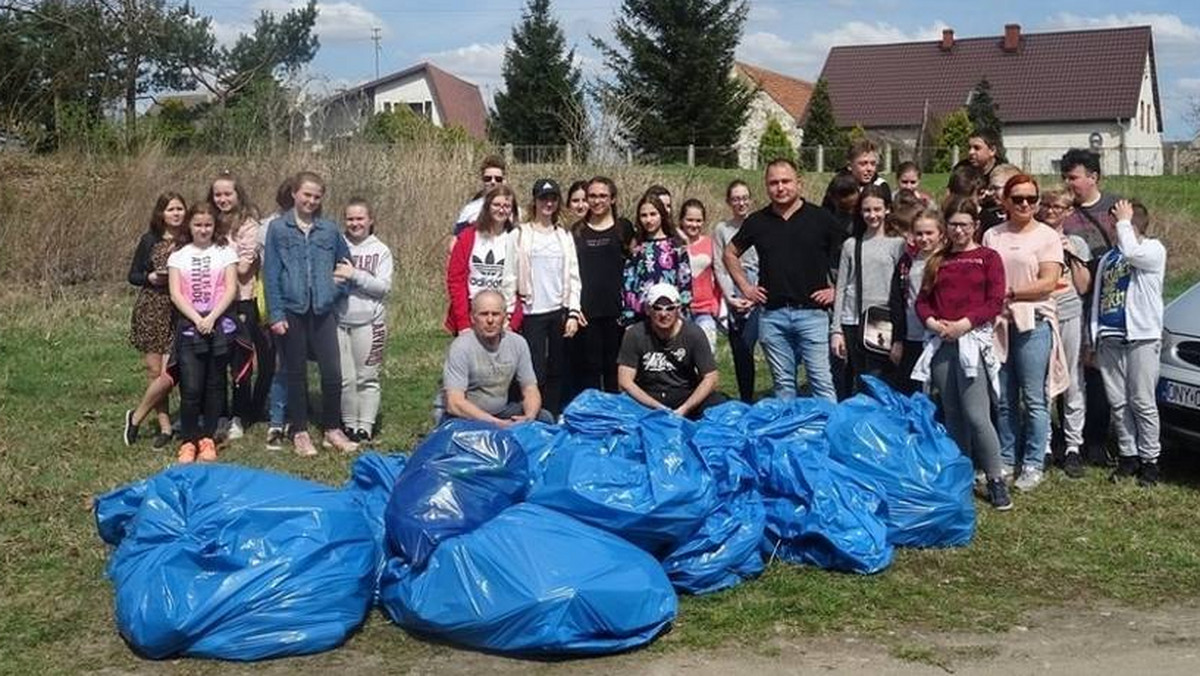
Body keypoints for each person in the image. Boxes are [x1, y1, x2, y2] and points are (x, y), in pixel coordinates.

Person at [911, 198, 1011, 510]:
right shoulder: (937, 260)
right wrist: (932, 322)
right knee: (952, 412)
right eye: (953, 225)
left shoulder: (988, 258)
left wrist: (964, 324)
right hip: (942, 343)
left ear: (975, 226)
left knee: (976, 414)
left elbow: (994, 301)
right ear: (946, 228)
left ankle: (995, 478)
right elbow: (923, 300)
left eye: (964, 225)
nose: (959, 231)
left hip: (972, 342)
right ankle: (961, 474)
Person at [724, 158, 841, 402]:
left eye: (786, 181)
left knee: (821, 384)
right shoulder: (757, 221)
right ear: (767, 187)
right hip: (773, 316)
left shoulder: (821, 219)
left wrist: (837, 290)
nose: (780, 187)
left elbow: (851, 255)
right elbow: (730, 253)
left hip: (813, 314)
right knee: (784, 385)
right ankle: (789, 436)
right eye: (773, 183)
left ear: (799, 182)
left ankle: (827, 436)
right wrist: (746, 287)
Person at [264, 171, 359, 457]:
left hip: (322, 310)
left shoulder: (329, 230)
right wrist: (276, 313)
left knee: (332, 372)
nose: (311, 201)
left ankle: (332, 429)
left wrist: (335, 290)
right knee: (295, 373)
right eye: (307, 194)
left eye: (317, 197)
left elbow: (346, 266)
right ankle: (300, 430)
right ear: (294, 193)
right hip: (292, 310)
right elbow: (271, 273)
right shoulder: (278, 229)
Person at [982, 174, 1066, 491]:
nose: (1025, 204)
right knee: (1004, 397)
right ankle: (1005, 459)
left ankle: (1033, 461)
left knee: (1034, 398)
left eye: (1031, 198)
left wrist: (1013, 294)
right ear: (1005, 201)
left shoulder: (1047, 236)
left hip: (1034, 322)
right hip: (999, 323)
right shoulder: (992, 234)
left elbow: (1048, 281)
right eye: (1018, 199)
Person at [1090, 200, 1166, 487]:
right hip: (1110, 336)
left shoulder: (1152, 249)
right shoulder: (1110, 258)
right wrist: (1093, 334)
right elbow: (1099, 297)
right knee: (1118, 402)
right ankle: (1128, 455)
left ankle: (1150, 461)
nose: (1113, 228)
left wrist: (1125, 222)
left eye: (1118, 223)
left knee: (1142, 401)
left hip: (1141, 336)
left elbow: (1132, 252)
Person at [1060, 148, 1120, 466]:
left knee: (1097, 370)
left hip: (1106, 302)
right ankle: (1070, 438)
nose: (1069, 183)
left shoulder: (1115, 208)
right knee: (1069, 369)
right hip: (1072, 301)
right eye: (1066, 177)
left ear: (1093, 177)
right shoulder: (1063, 212)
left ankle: (1096, 439)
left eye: (1074, 177)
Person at [167, 203, 239, 463]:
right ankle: (188, 439)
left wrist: (212, 317)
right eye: (198, 225)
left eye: (208, 225)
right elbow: (175, 293)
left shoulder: (225, 252)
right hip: (190, 325)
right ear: (189, 225)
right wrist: (198, 319)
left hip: (219, 322)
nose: (203, 230)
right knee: (192, 386)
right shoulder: (178, 255)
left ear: (214, 226)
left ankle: (208, 437)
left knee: (215, 384)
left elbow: (231, 288)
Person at [124, 192, 187, 449]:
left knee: (170, 373)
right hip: (152, 308)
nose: (175, 213)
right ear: (161, 213)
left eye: (180, 209)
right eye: (170, 209)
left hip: (179, 310)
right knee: (155, 372)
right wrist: (149, 277)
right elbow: (133, 275)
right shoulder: (149, 240)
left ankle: (136, 416)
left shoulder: (189, 240)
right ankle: (165, 426)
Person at [514, 178, 582, 416]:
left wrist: (573, 311)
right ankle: (533, 412)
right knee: (535, 369)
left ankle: (551, 414)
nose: (548, 203)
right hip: (532, 310)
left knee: (557, 367)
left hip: (557, 309)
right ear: (535, 201)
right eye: (544, 198)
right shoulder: (522, 233)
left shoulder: (563, 235)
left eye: (553, 198)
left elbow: (574, 276)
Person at [831, 184, 906, 394]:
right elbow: (842, 287)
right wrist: (836, 330)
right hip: (852, 319)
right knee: (859, 378)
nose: (872, 215)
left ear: (887, 209)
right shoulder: (850, 244)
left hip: (882, 320)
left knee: (879, 379)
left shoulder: (898, 244)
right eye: (867, 210)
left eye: (877, 209)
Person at [1039, 187, 1092, 478]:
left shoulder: (1077, 242)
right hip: (1043, 313)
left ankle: (1073, 446)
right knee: (1043, 382)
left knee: (1072, 379)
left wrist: (1070, 253)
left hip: (1070, 312)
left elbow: (1084, 285)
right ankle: (1044, 444)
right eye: (1045, 205)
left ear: (1068, 211)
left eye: (1057, 207)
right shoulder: (1034, 238)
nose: (1050, 211)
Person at [441, 289, 553, 426]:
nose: (490, 320)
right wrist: (496, 423)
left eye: (495, 314)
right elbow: (454, 402)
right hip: (467, 416)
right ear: (472, 318)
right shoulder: (461, 347)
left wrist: (529, 418)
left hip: (501, 411)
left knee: (544, 418)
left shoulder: (518, 343)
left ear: (505, 317)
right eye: (483, 314)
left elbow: (530, 388)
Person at [617, 283, 726, 419]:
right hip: (647, 397)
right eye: (657, 308)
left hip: (685, 395)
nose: (664, 314)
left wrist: (684, 409)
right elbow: (625, 382)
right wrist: (659, 408)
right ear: (648, 310)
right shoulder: (635, 334)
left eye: (670, 308)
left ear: (678, 309)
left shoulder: (693, 333)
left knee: (720, 407)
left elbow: (711, 377)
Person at [208, 172, 262, 441]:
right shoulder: (209, 222)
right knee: (216, 360)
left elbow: (242, 269)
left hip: (241, 299)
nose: (222, 199)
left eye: (227, 194)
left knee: (240, 361)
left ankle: (240, 415)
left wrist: (217, 258)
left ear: (238, 194)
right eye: (217, 194)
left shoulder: (248, 224)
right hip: (213, 302)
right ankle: (220, 413)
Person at [569, 176, 634, 397]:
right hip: (586, 314)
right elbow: (570, 273)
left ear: (613, 199)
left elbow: (637, 262)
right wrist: (574, 309)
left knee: (614, 371)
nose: (597, 201)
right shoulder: (577, 231)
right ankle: (592, 419)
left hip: (617, 313)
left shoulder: (623, 228)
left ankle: (615, 418)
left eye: (603, 196)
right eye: (593, 196)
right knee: (589, 370)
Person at [335, 198, 393, 444]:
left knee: (366, 376)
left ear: (370, 221)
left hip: (370, 322)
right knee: (345, 378)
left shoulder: (380, 250)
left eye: (360, 219)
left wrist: (354, 275)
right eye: (350, 219)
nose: (355, 223)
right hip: (339, 321)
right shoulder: (338, 246)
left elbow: (382, 288)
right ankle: (349, 424)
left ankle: (365, 427)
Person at [445, 185, 520, 334]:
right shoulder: (469, 236)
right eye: (496, 205)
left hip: (503, 316)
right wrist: (463, 324)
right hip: (472, 314)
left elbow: (523, 284)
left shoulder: (517, 238)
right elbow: (455, 280)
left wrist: (513, 321)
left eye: (506, 206)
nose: (501, 209)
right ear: (487, 206)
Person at [712, 179, 760, 403]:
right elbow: (720, 266)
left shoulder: (761, 223)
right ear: (729, 202)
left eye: (744, 198)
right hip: (733, 289)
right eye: (736, 199)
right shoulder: (722, 229)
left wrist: (755, 293)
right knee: (741, 348)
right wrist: (731, 297)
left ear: (750, 200)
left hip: (760, 290)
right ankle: (746, 398)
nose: (741, 203)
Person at [888, 207, 945, 394]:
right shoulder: (907, 262)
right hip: (912, 334)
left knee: (939, 391)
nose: (924, 238)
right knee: (910, 390)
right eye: (919, 233)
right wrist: (897, 339)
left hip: (939, 335)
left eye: (929, 233)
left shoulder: (948, 260)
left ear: (941, 233)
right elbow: (897, 300)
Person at [259, 178, 293, 450]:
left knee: (298, 364)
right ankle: (277, 418)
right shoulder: (270, 227)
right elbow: (268, 271)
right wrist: (274, 309)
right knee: (281, 363)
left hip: (308, 307)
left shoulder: (321, 226)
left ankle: (298, 413)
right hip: (278, 303)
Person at [620, 193, 691, 325]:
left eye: (653, 214)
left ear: (662, 215)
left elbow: (685, 281)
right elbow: (628, 284)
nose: (648, 220)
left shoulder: (676, 246)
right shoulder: (636, 248)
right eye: (644, 215)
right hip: (642, 316)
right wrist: (628, 317)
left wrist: (683, 312)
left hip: (670, 315)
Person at [679, 198, 719, 353]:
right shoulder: (674, 245)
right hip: (680, 311)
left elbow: (720, 274)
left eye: (698, 221)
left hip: (705, 310)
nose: (694, 225)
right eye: (689, 220)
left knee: (707, 354)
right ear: (681, 220)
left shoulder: (710, 243)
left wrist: (716, 302)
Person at [821, 138, 892, 211]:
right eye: (863, 164)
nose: (869, 169)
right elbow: (826, 213)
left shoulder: (881, 185)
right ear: (849, 166)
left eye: (873, 164)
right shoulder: (839, 185)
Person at [453, 154, 515, 234]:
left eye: (498, 179)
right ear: (482, 180)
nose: (493, 182)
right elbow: (456, 239)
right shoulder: (470, 209)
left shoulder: (514, 210)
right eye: (488, 178)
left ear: (504, 180)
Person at [979, 163, 1021, 233]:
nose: (990, 193)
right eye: (990, 188)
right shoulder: (989, 215)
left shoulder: (1023, 215)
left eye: (996, 188)